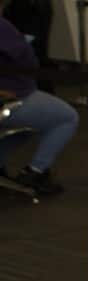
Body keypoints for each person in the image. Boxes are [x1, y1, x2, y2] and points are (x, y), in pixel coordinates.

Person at [0, 17, 76, 195]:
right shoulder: (3, 28)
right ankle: (35, 172)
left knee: (29, 124)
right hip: (9, 99)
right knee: (67, 117)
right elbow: (29, 62)